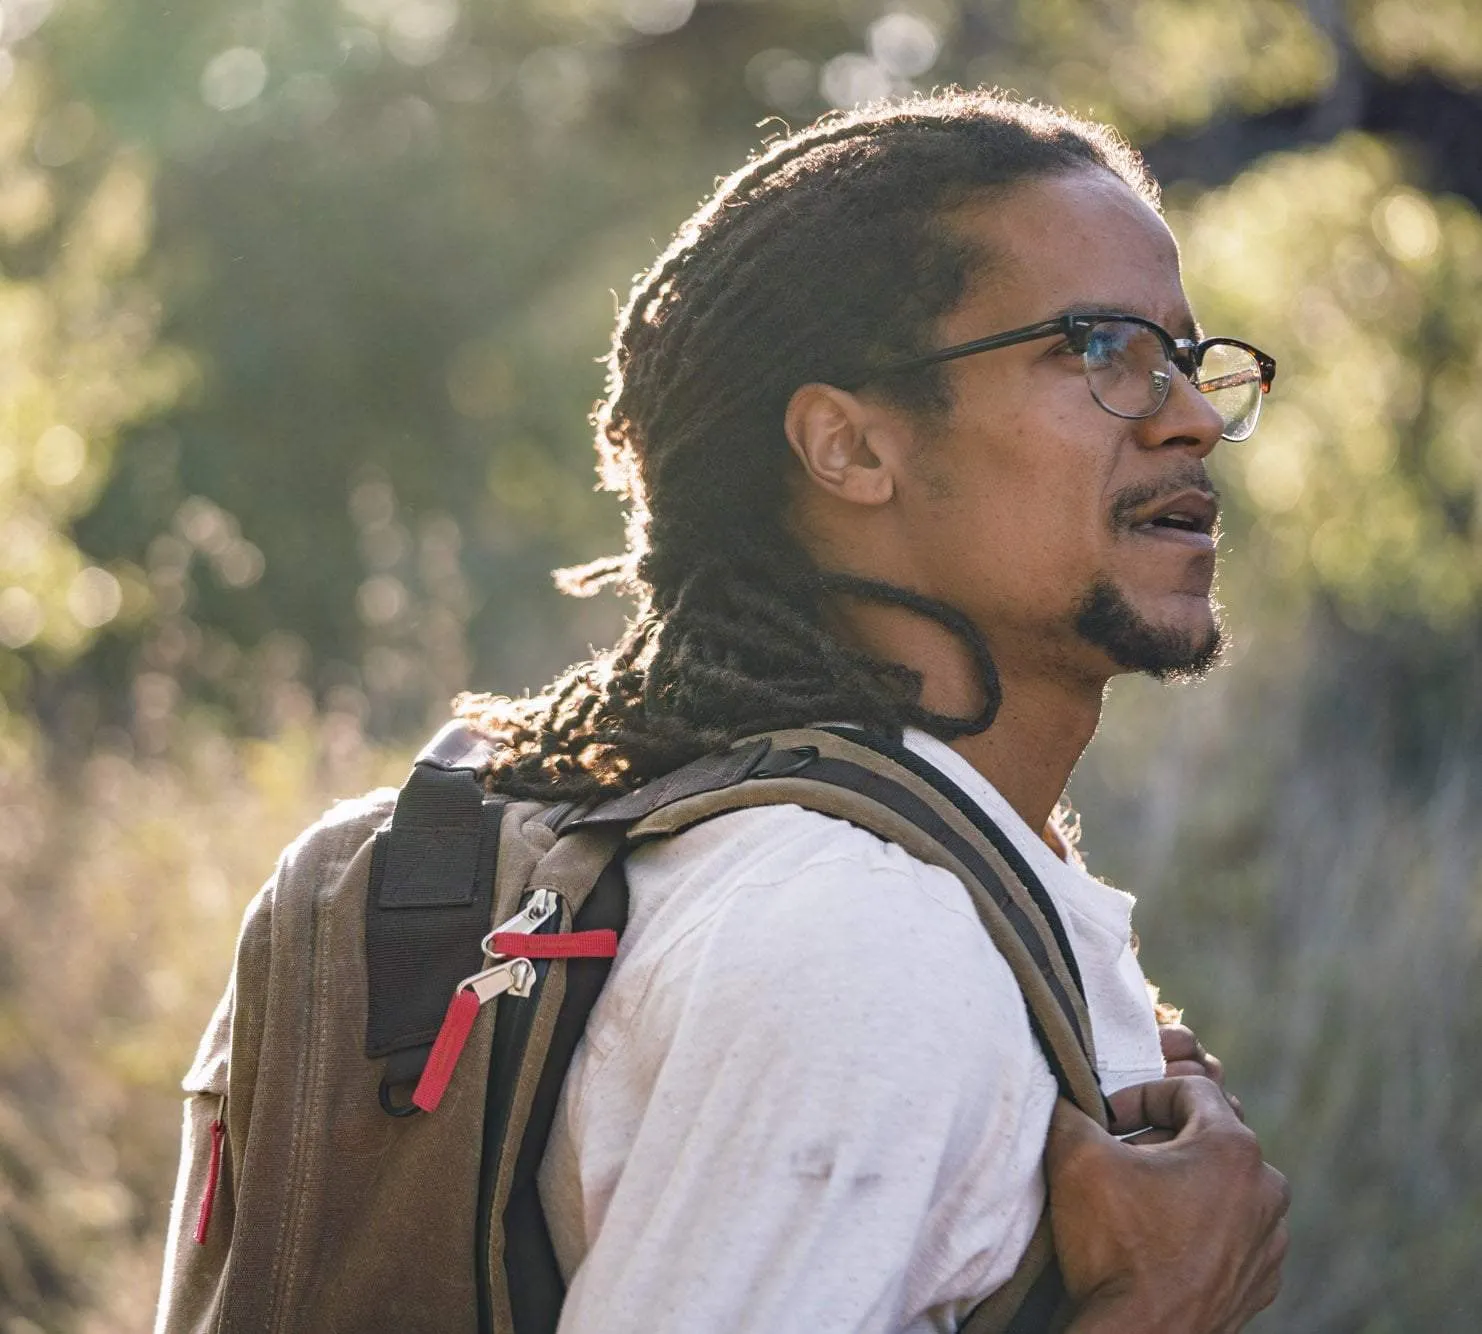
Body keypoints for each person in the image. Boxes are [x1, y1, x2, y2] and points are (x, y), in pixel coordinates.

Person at [160, 89, 1289, 1333]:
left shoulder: (873, 876)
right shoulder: (859, 943)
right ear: (850, 449)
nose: (1189, 415)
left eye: (1183, 356)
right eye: (1096, 350)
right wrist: (1165, 1305)